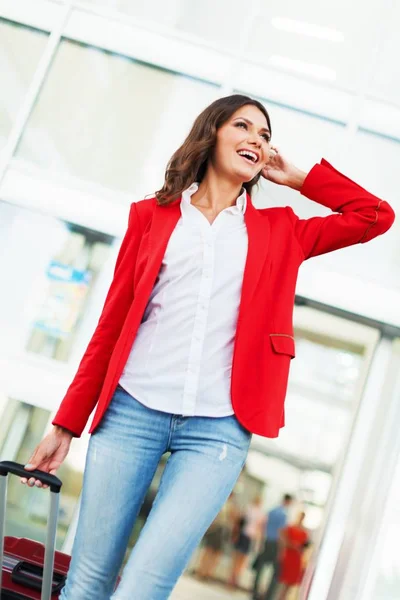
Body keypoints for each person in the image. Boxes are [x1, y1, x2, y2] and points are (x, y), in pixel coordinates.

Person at [20, 94, 394, 600]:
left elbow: (375, 214)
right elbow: (110, 327)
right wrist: (66, 424)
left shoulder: (280, 231)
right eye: (243, 126)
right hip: (131, 410)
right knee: (86, 581)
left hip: (218, 426)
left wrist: (301, 178)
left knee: (144, 586)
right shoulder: (150, 217)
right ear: (212, 133)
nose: (257, 140)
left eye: (264, 135)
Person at [252, 493, 294, 600]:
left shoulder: (272, 511)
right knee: (276, 573)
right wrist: (282, 550)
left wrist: (261, 541)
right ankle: (268, 597)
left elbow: (263, 526)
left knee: (260, 568)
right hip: (275, 544)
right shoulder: (283, 514)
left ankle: (255, 594)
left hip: (267, 541)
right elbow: (281, 532)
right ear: (288, 501)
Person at [195, 492, 239, 581]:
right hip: (216, 528)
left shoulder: (231, 506)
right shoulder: (221, 502)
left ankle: (208, 573)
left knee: (216, 553)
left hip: (223, 530)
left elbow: (234, 519)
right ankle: (201, 571)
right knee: (208, 551)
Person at [229, 495, 265, 587]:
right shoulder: (249, 508)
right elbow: (240, 522)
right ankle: (232, 578)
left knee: (242, 559)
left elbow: (260, 528)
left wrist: (258, 542)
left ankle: (235, 577)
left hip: (249, 537)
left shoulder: (259, 513)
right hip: (244, 535)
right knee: (238, 557)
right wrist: (236, 534)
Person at [276, 511, 310, 600]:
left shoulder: (304, 532)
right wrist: (292, 546)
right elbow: (284, 540)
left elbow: (304, 546)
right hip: (289, 556)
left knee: (290, 584)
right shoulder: (290, 528)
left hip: (296, 558)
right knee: (284, 583)